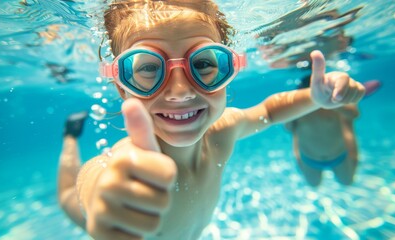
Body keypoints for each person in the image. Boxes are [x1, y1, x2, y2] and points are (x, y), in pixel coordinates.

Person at [57, 1, 365, 239]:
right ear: (123, 88)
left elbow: (270, 111)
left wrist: (316, 99)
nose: (180, 92)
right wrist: (101, 194)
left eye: (203, 63)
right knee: (68, 194)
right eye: (149, 69)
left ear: (227, 72)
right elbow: (97, 172)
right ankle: (70, 137)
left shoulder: (222, 131)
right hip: (94, 218)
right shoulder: (135, 162)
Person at [285, 76, 380, 186]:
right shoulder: (298, 107)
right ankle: (353, 100)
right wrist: (292, 110)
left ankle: (353, 102)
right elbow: (289, 128)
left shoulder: (333, 101)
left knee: (347, 182)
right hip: (309, 158)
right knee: (314, 184)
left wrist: (334, 101)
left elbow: (354, 114)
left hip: (338, 155)